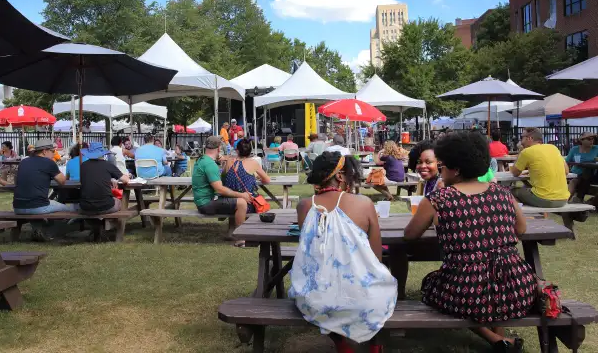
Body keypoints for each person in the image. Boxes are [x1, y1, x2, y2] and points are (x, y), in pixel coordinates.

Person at [405, 132, 535, 351]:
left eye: (443, 165)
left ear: (456, 170)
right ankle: (499, 339)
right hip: (516, 287)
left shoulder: (439, 199)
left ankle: (495, 339)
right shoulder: (502, 193)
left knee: (431, 287)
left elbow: (410, 235)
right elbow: (521, 229)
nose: (441, 170)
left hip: (466, 288)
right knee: (490, 294)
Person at [289, 152, 397, 352]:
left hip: (315, 299)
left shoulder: (304, 206)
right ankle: (375, 345)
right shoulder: (363, 203)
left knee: (330, 290)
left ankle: (341, 344)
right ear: (340, 177)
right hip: (363, 300)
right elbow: (376, 258)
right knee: (380, 290)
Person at [192, 136, 253, 247]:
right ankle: (240, 239)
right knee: (241, 203)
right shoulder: (210, 165)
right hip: (206, 203)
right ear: (219, 148)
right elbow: (219, 189)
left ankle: (231, 232)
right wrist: (242, 195)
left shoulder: (202, 160)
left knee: (233, 200)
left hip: (201, 201)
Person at [13, 139, 76, 240]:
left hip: (17, 207)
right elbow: (62, 181)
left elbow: (18, 180)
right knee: (67, 209)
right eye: (52, 151)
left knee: (39, 205)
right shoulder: (49, 163)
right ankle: (50, 232)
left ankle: (38, 228)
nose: (53, 154)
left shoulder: (24, 162)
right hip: (38, 206)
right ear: (44, 151)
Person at [511, 127, 569, 207]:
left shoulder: (526, 152)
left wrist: (520, 151)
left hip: (544, 199)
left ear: (530, 138)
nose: (521, 141)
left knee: (510, 191)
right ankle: (541, 217)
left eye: (522, 137)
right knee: (530, 189)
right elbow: (566, 171)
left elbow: (515, 173)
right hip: (563, 199)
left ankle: (520, 217)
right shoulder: (553, 148)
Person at [79, 142, 130, 215]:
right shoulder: (108, 165)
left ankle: (97, 222)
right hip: (105, 205)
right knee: (118, 202)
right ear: (103, 153)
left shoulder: (83, 166)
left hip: (85, 207)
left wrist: (110, 179)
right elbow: (126, 179)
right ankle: (114, 224)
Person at [223, 139, 271, 214]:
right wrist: (255, 177)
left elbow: (224, 178)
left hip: (228, 203)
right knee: (261, 203)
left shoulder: (229, 161)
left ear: (237, 150)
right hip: (246, 203)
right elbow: (267, 180)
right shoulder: (253, 163)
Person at [565, 132, 598, 198]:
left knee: (587, 172)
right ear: (581, 140)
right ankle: (568, 199)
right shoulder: (574, 149)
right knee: (574, 181)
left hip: (592, 174)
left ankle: (578, 198)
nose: (591, 141)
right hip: (577, 174)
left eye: (592, 139)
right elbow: (566, 162)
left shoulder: (596, 148)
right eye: (589, 139)